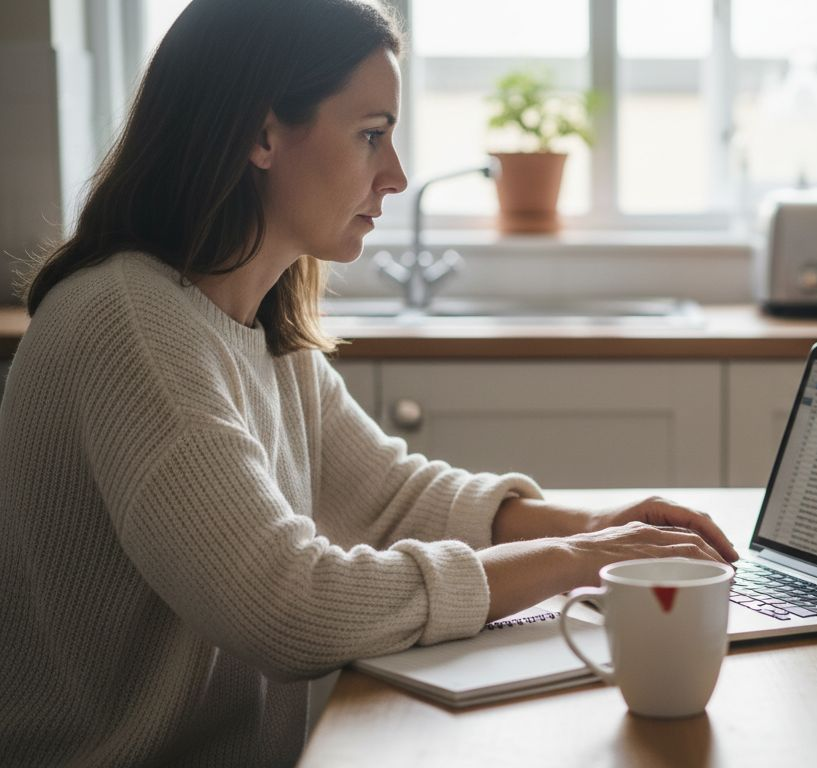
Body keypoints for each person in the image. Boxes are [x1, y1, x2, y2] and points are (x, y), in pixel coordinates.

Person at [0, 1, 736, 765]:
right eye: (371, 135)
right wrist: (578, 563)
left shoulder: (247, 321)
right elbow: (288, 606)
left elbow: (393, 503)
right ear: (261, 134)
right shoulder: (129, 326)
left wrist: (595, 526)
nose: (396, 175)